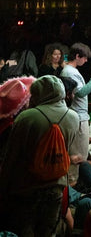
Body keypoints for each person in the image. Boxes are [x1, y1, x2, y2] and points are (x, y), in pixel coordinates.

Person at [0, 75, 80, 237]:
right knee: (48, 230)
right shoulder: (74, 117)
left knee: (25, 229)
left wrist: (4, 185)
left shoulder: (27, 117)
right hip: (56, 185)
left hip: (27, 185)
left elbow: (12, 156)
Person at [61, 41, 91, 184]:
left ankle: (73, 186)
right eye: (84, 57)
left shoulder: (70, 70)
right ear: (77, 56)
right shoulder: (69, 71)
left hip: (78, 116)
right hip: (77, 117)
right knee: (78, 156)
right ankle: (72, 187)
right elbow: (81, 92)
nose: (86, 60)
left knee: (79, 155)